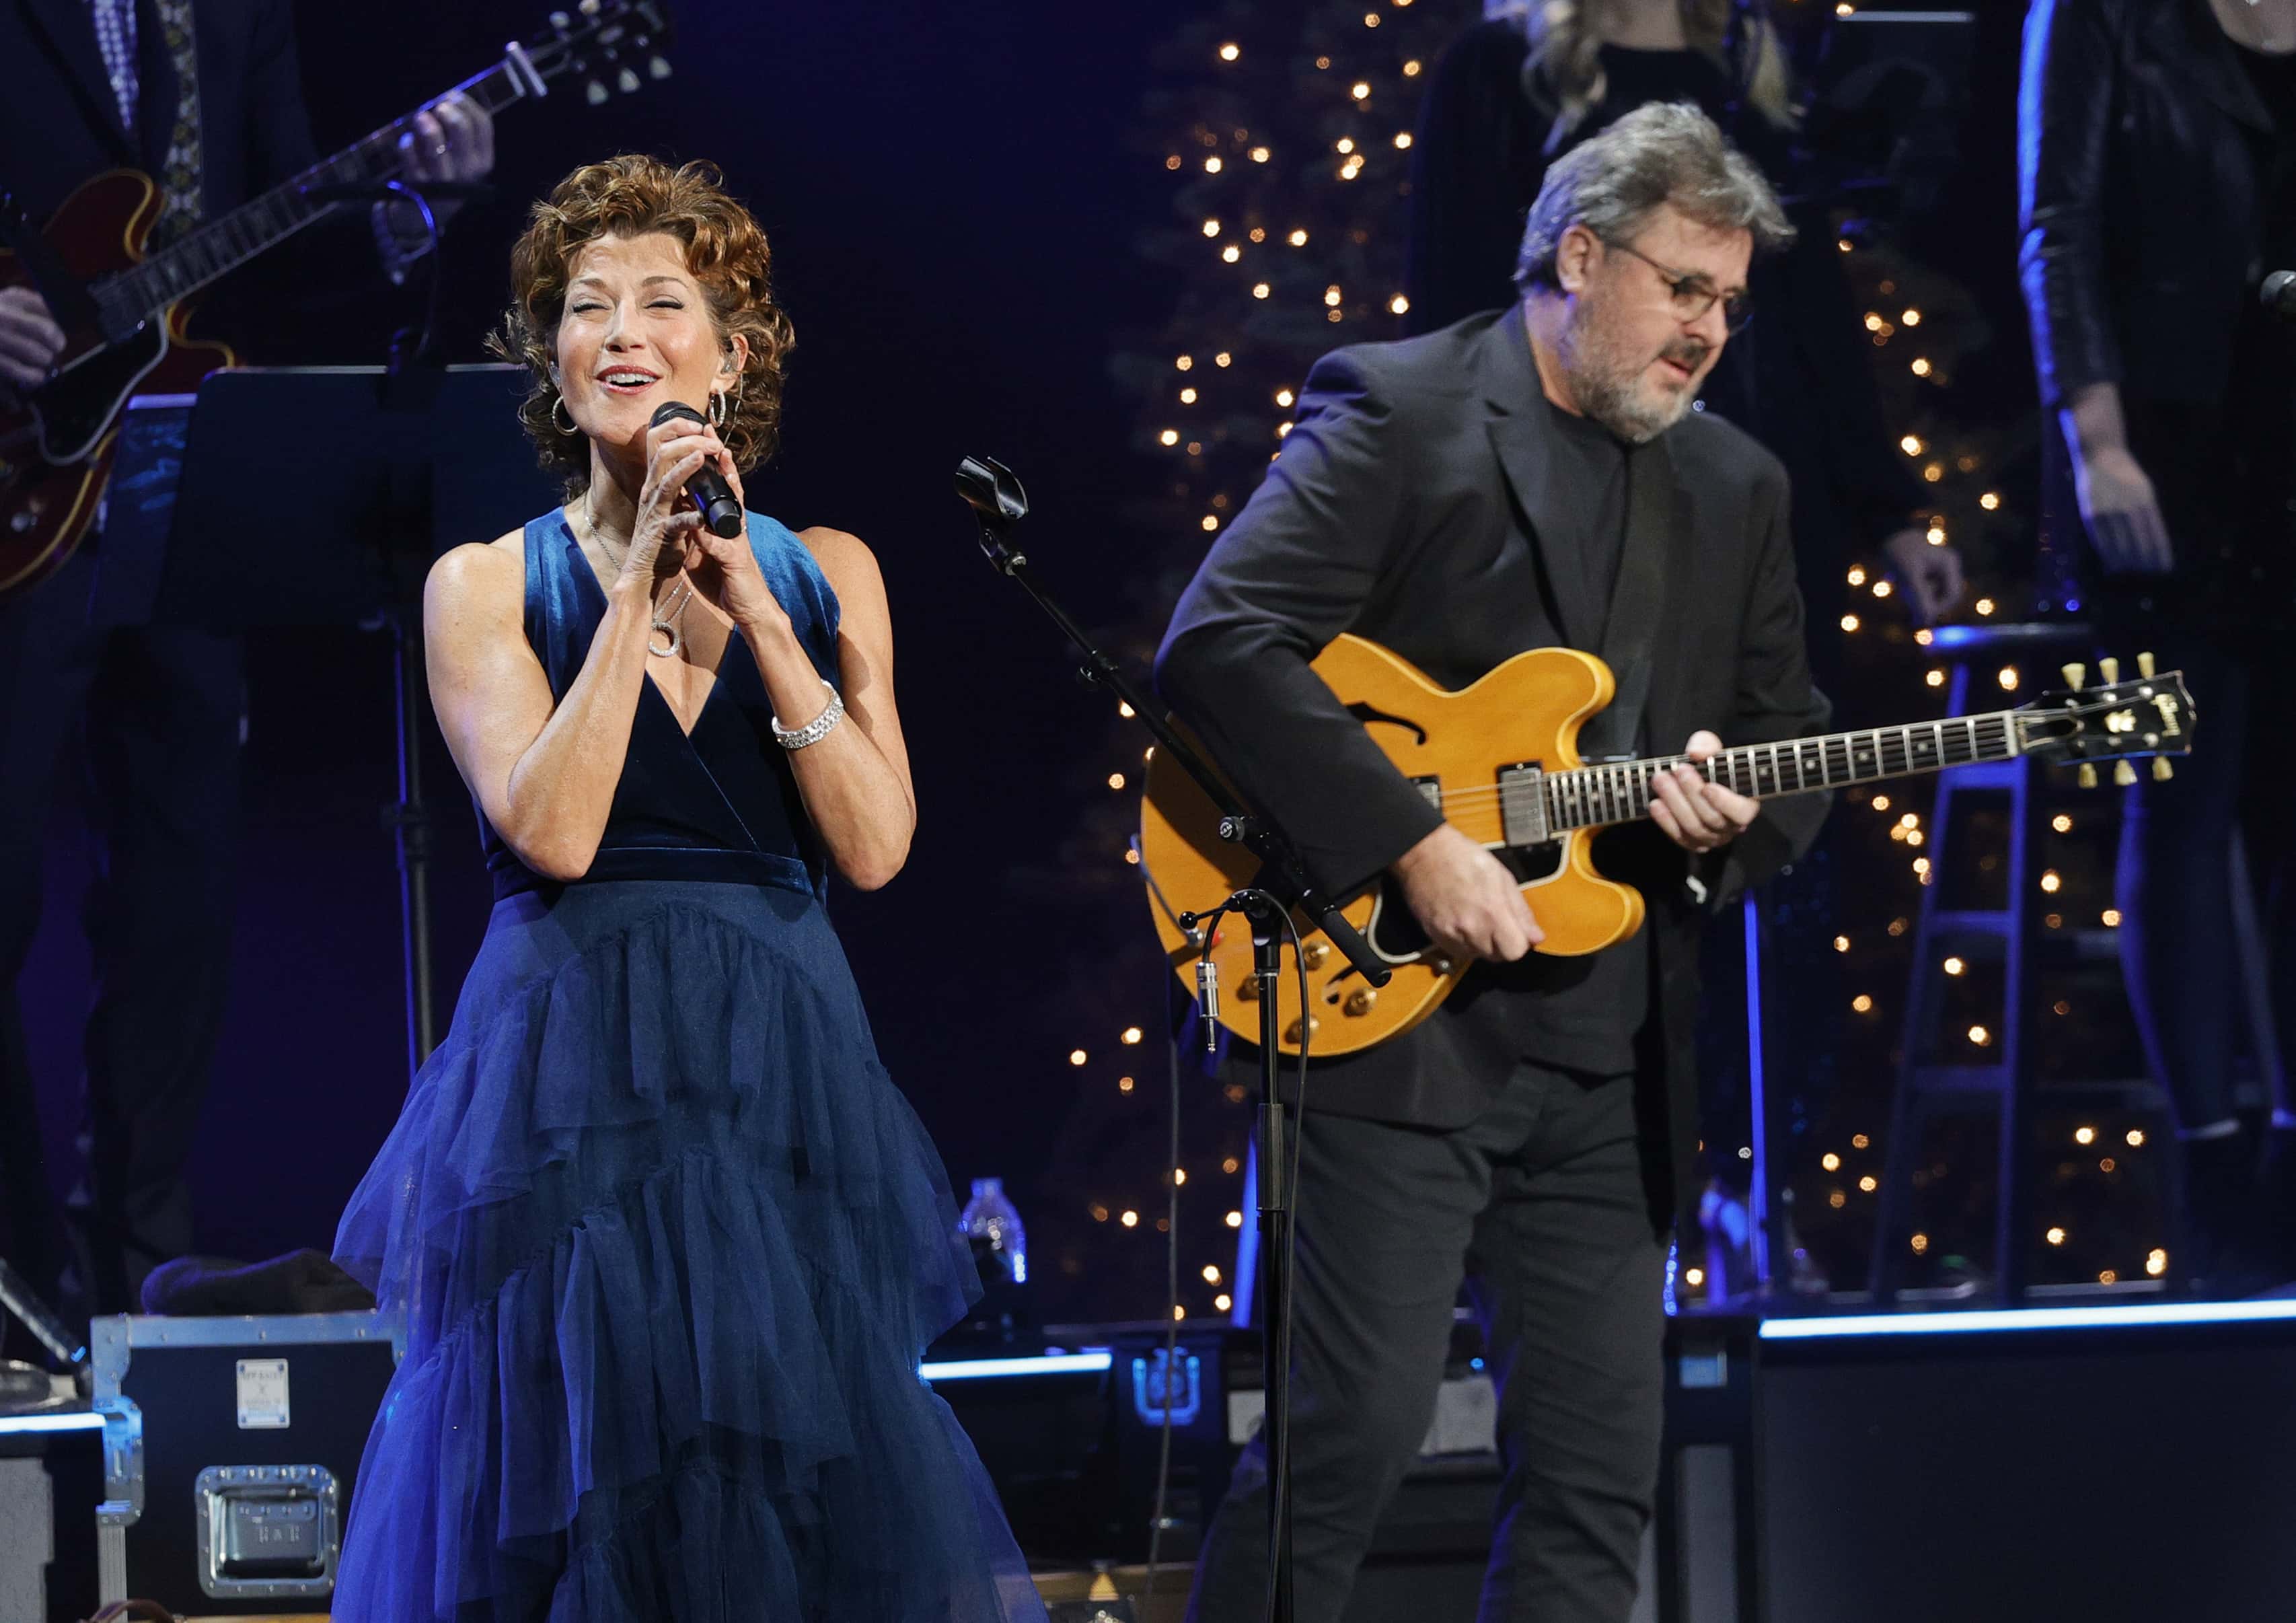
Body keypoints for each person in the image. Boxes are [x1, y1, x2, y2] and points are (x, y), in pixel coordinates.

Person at [328, 155, 1046, 1621]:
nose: (621, 333)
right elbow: (553, 833)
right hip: (568, 1081)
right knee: (583, 1465)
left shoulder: (829, 570)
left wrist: (764, 621)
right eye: (585, 307)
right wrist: (636, 582)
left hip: (778, 1071)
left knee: (786, 1472)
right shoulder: (484, 583)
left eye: (664, 304)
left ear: (731, 360)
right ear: (551, 359)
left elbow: (876, 847)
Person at [1158, 104, 1830, 1623]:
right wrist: (1411, 842)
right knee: (1345, 1440)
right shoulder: (1405, 412)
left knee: (1598, 1481)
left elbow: (1785, 732)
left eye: (1731, 303)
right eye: (1684, 288)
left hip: (1608, 1056)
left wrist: (1726, 828)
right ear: (1579, 258)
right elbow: (1220, 644)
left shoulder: (1738, 485)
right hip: (1393, 1024)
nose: (1710, 331)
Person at [1403, 0, 1962, 1295]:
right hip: (1555, 509)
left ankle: (1750, 1191)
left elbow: (1808, 302)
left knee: (1757, 833)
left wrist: (1888, 505)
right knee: (1581, 845)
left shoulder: (1745, 72)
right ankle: (1543, 1197)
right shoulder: (1502, 68)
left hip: (1748, 504)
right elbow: (1449, 294)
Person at [0, 0, 492, 1334]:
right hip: (20, 493)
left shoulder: (229, 17)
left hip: (177, 471)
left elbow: (288, 232)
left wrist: (411, 208)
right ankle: (17, 1287)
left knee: (179, 896)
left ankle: (131, 1280)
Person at [2019, 0, 2296, 1293]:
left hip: (2286, 450)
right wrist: (2095, 441)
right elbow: (2057, 225)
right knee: (2174, 803)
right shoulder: (2098, 15)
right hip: (2154, 459)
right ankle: (2212, 1162)